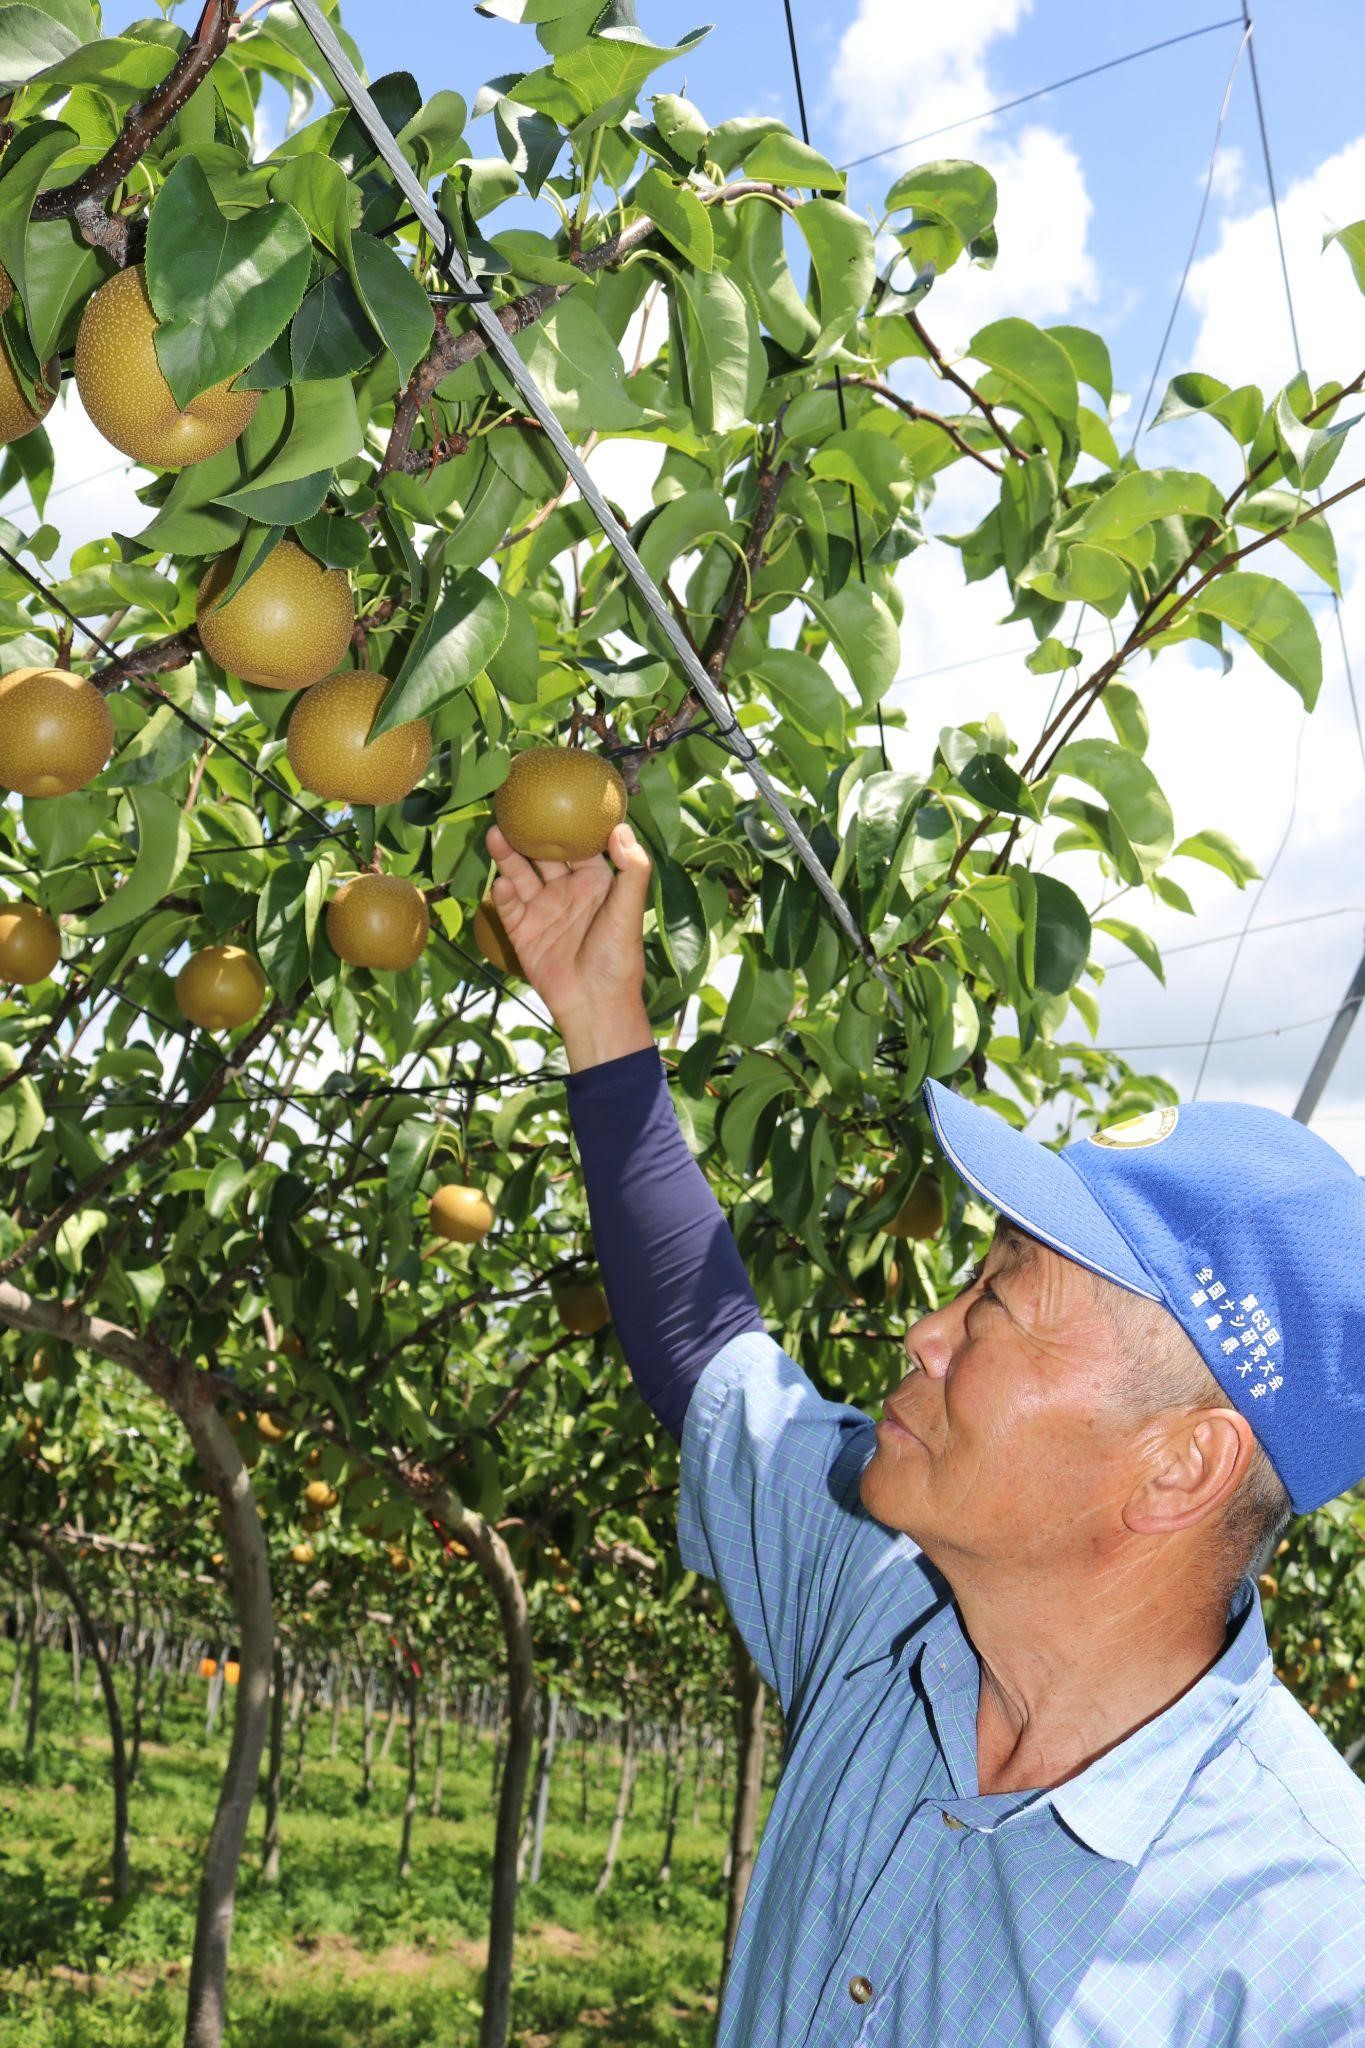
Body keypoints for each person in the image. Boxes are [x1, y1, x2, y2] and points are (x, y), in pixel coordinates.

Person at [487, 817, 1365, 2047]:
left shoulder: (1313, 1953)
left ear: (1182, 1464)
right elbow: (711, 1361)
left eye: (1000, 1296)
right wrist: (598, 1012)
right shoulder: (877, 1606)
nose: (924, 1329)